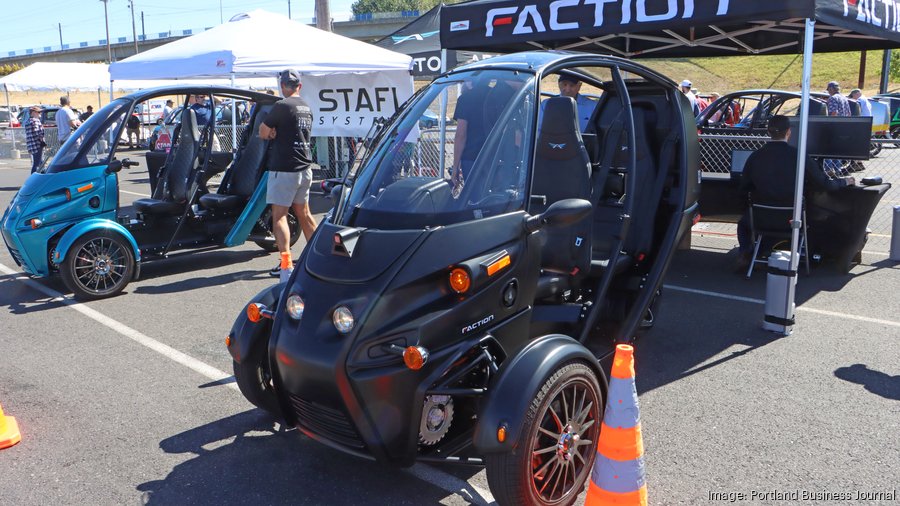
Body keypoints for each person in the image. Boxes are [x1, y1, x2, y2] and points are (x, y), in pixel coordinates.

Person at [734, 115, 855, 271]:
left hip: (761, 218)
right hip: (792, 220)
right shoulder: (799, 156)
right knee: (816, 216)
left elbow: (743, 188)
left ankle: (747, 251)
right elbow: (825, 184)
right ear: (789, 132)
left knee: (743, 224)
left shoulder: (755, 156)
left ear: (768, 132)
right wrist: (845, 181)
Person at [258, 69, 317, 279]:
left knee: (280, 216)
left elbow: (263, 132)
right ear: (299, 86)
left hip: (284, 169)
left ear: (283, 86)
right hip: (304, 168)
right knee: (304, 214)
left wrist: (272, 132)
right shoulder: (306, 107)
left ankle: (286, 265)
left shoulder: (282, 106)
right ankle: (318, 258)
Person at [24, 106, 45, 173]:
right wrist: (42, 140)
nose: (40, 114)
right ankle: (33, 178)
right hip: (37, 145)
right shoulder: (35, 121)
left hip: (31, 145)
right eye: (38, 112)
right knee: (37, 164)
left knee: (40, 162)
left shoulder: (27, 121)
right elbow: (37, 132)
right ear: (33, 112)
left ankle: (42, 176)